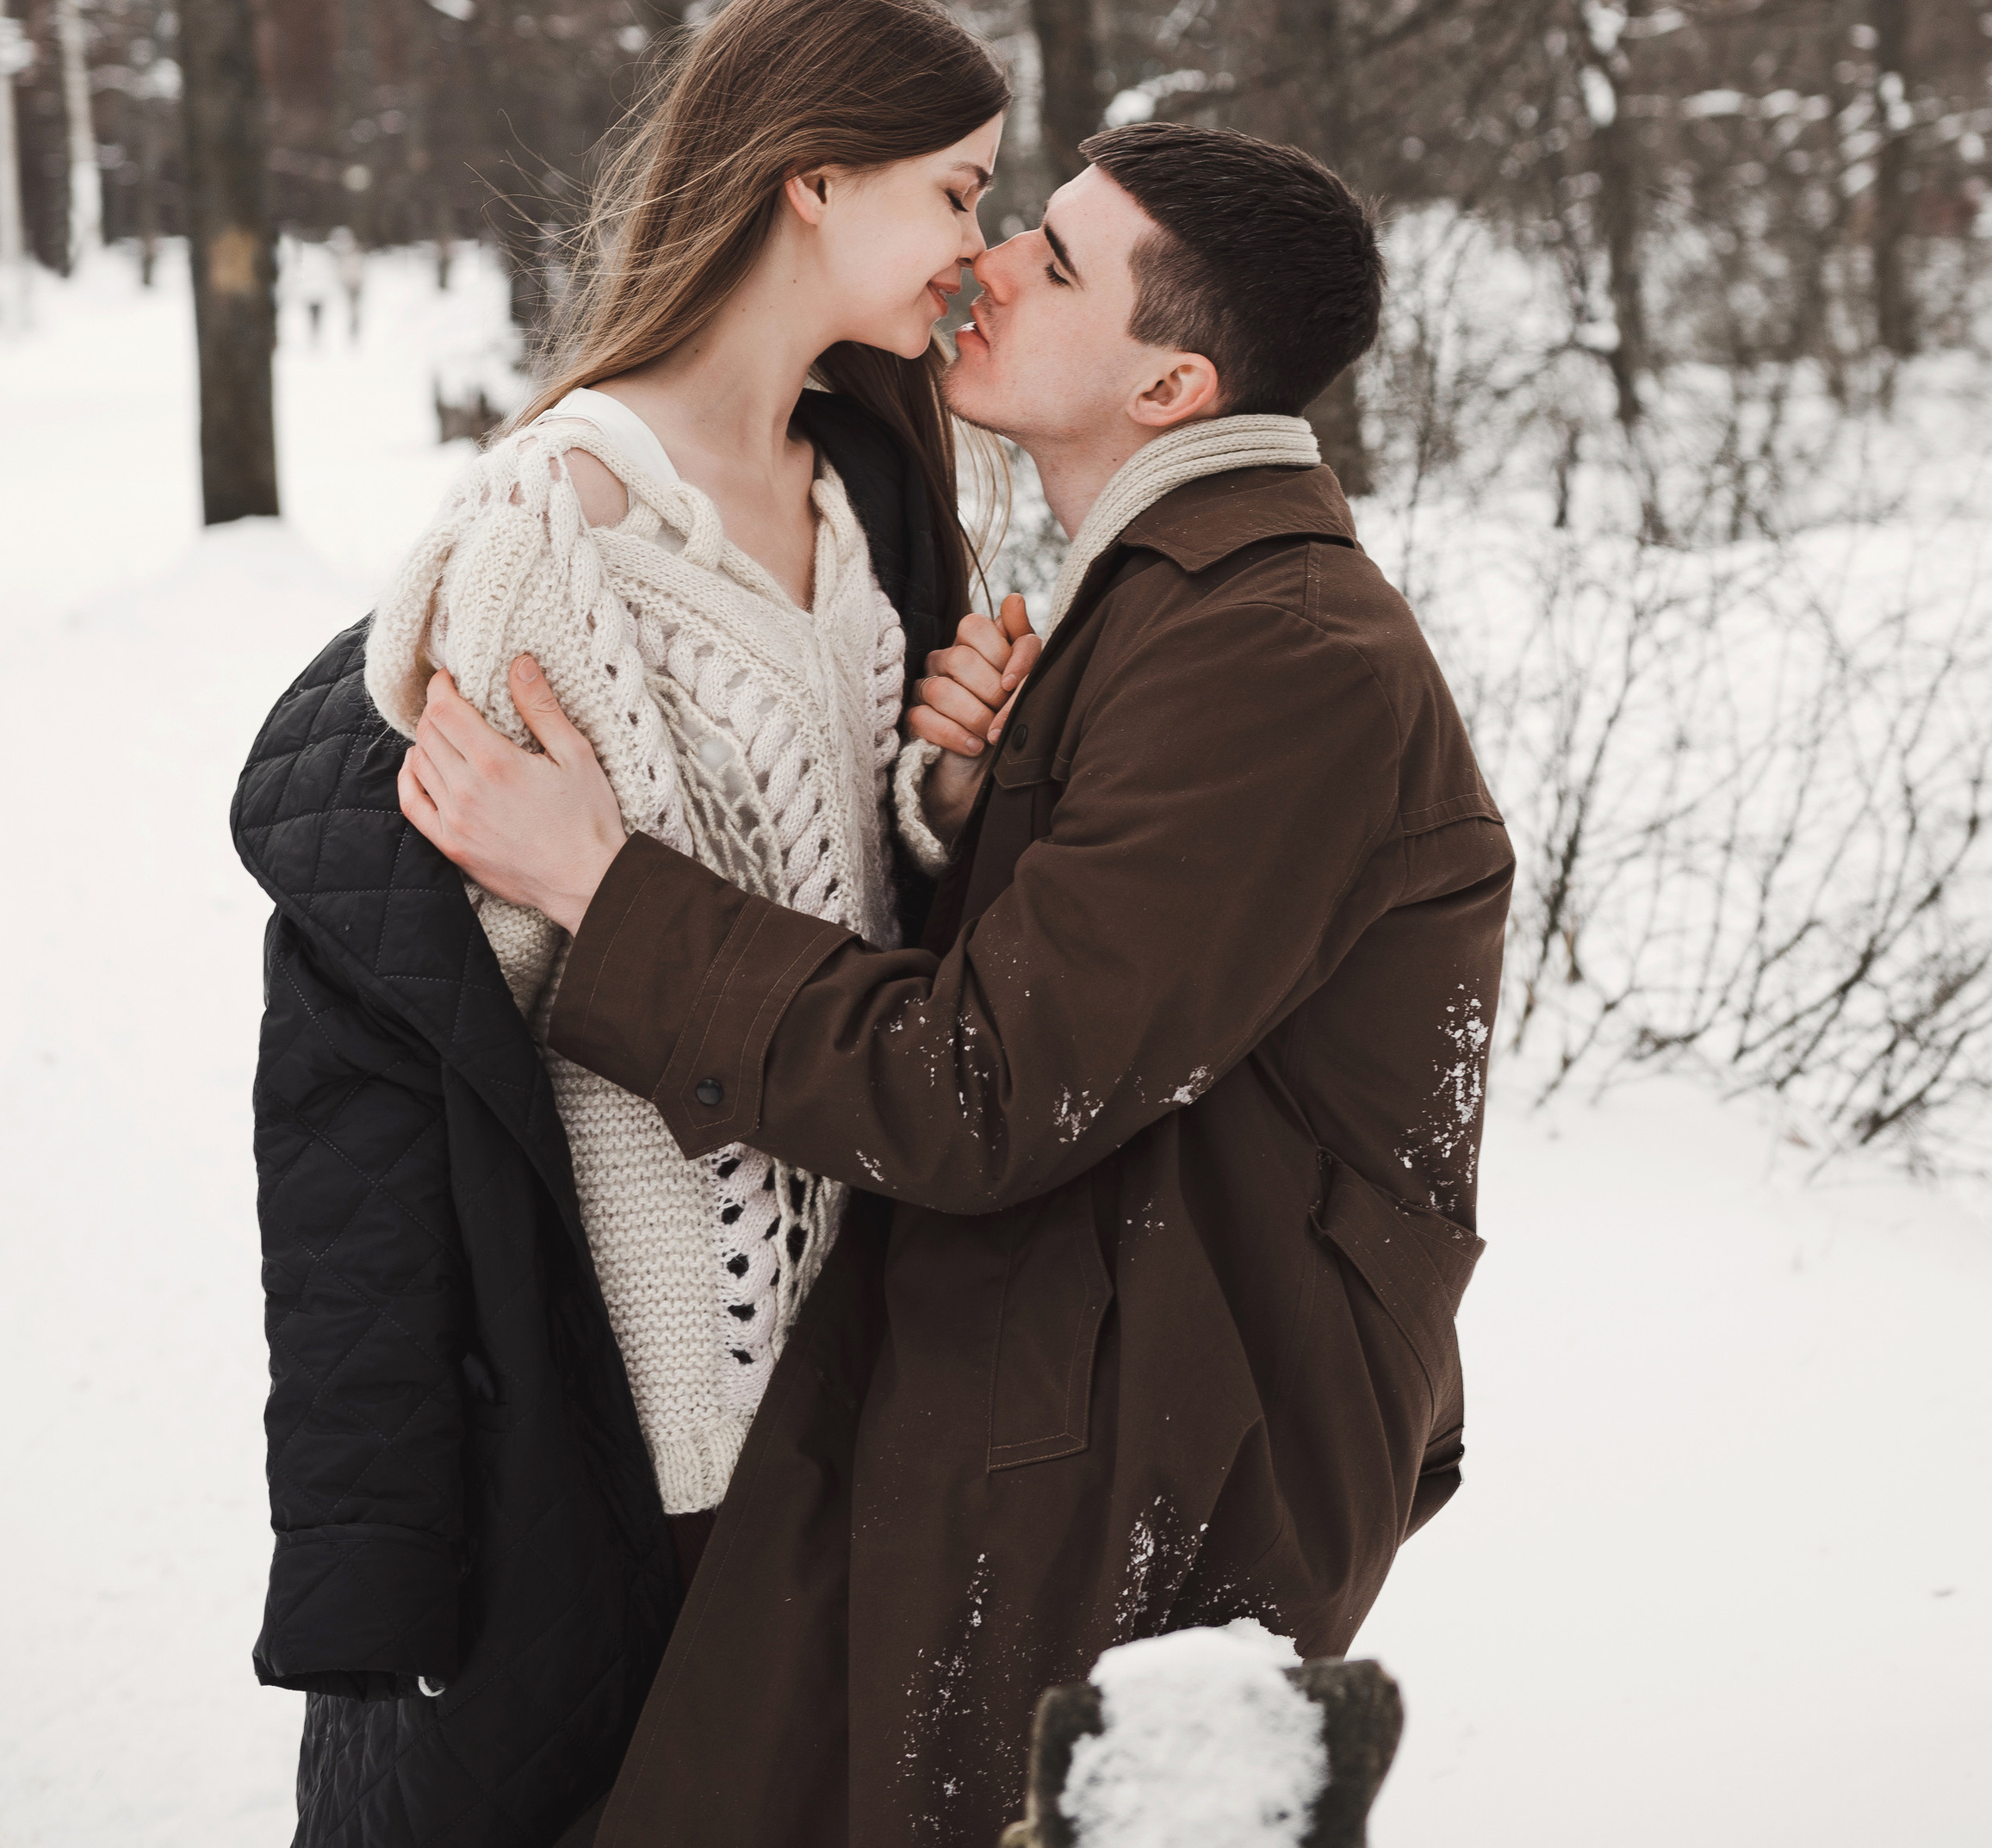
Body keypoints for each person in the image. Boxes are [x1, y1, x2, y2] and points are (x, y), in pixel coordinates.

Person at [395, 119, 1514, 1848]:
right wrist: (966, 812)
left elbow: (985, 1089)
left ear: (1168, 386)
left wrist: (605, 895)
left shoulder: (1273, 656)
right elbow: (1115, 1010)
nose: (989, 263)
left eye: (1054, 263)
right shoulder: (1172, 612)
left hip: (1140, 1464)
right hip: (1045, 1400)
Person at [231, 0, 1010, 1848]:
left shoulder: (868, 500)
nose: (977, 251)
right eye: (958, 192)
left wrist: (949, 794)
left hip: (874, 1403)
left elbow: (857, 936)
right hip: (662, 1443)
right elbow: (472, 1043)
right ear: (812, 179)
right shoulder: (550, 540)